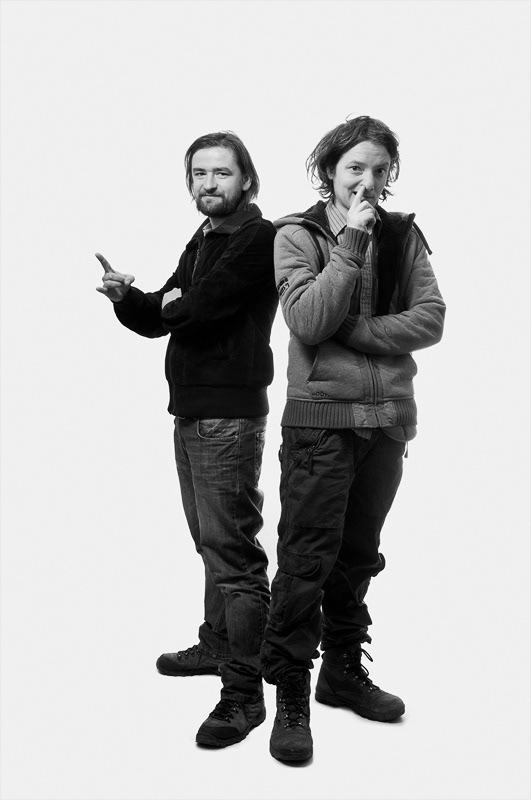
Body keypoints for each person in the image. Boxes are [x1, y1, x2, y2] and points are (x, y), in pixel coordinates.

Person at [260, 116, 446, 762]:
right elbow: (309, 320)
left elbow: (431, 318)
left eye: (379, 169)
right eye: (354, 168)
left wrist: (361, 334)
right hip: (320, 424)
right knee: (305, 559)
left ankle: (341, 671)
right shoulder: (298, 233)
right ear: (329, 172)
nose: (367, 181)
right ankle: (291, 689)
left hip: (388, 421)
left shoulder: (403, 235)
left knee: (358, 555)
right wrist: (351, 244)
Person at [95, 131, 278, 748]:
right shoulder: (205, 238)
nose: (209, 183)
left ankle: (244, 693)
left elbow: (206, 305)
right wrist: (128, 298)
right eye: (199, 173)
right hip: (193, 411)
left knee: (234, 557)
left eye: (222, 173)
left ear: (246, 180)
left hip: (228, 417)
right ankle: (218, 643)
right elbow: (160, 315)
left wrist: (177, 303)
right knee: (210, 543)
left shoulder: (257, 237)